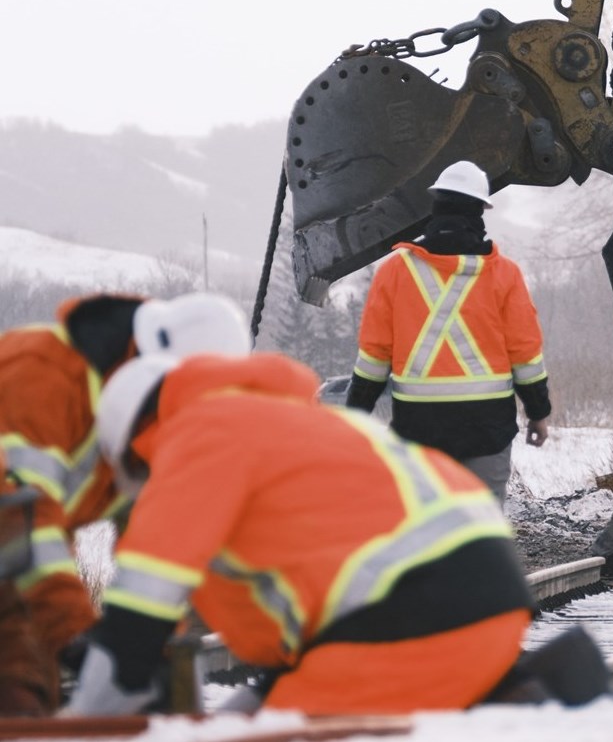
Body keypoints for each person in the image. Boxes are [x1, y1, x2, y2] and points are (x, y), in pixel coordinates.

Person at [63, 351, 537, 716]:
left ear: (132, 442)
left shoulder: (198, 434)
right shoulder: (292, 424)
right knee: (247, 719)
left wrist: (91, 707)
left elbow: (145, 598)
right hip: (479, 603)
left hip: (406, 623)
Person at [0, 293, 250, 715]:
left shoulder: (138, 421)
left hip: (13, 573)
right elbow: (21, 521)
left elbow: (152, 552)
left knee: (29, 705)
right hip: (13, 553)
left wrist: (151, 646)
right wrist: (73, 634)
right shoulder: (40, 370)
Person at [346, 161, 551, 503]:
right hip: (488, 429)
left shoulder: (394, 272)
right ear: (480, 209)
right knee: (484, 537)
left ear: (436, 204)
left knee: (426, 536)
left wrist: (354, 418)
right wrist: (538, 413)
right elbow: (525, 355)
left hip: (418, 429)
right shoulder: (504, 274)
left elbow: (374, 358)